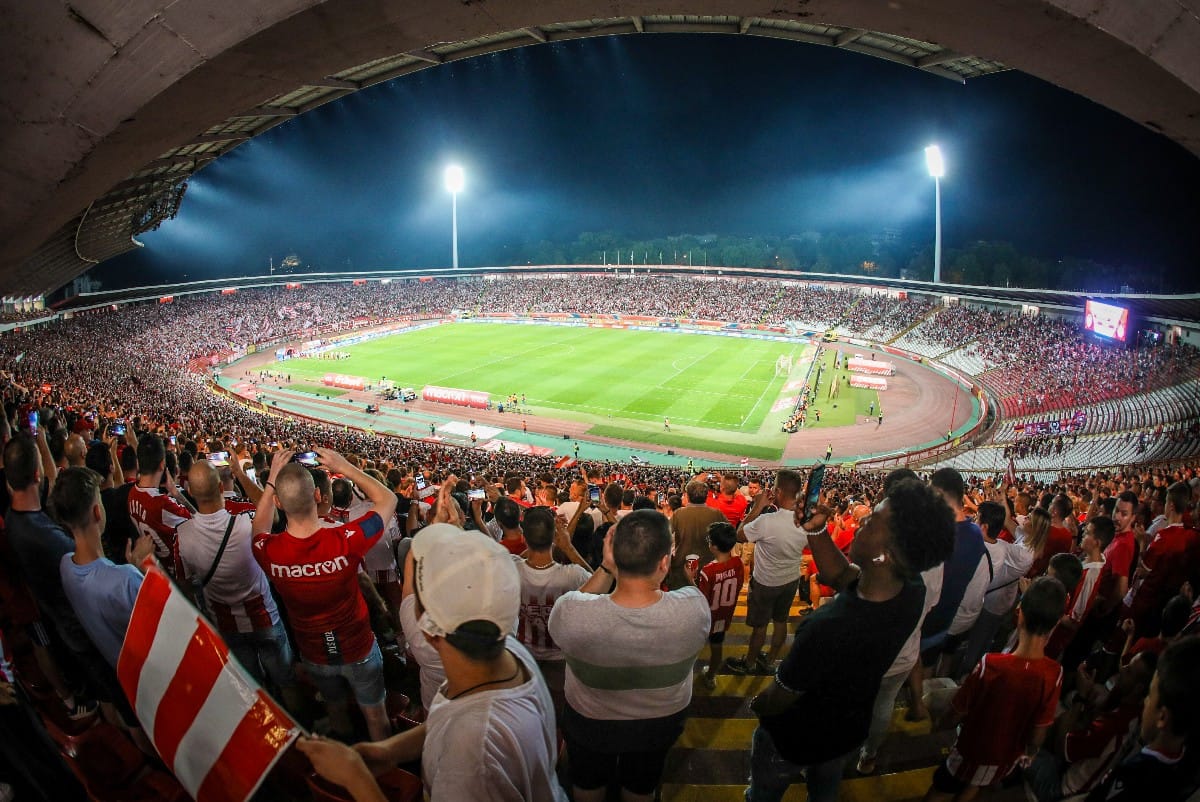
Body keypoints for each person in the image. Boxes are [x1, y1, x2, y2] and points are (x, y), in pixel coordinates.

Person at [299, 523, 568, 802]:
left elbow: (464, 731)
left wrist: (355, 778)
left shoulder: (470, 761)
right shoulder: (507, 648)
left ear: (427, 630)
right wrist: (390, 751)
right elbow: (449, 716)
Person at [746, 478, 955, 802]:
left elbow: (777, 698)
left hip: (793, 740)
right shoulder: (912, 591)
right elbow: (842, 575)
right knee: (825, 789)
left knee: (763, 794)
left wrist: (755, 705)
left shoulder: (827, 628)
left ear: (885, 556)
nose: (863, 519)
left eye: (872, 521)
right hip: (846, 732)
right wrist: (816, 529)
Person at [548, 510, 710, 802]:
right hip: (660, 725)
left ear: (612, 555)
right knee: (640, 786)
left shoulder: (571, 614)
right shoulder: (694, 609)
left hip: (590, 723)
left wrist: (606, 567)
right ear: (664, 562)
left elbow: (575, 603)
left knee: (588, 783)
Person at [251, 448, 396, 741]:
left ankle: (343, 751)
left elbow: (259, 527)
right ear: (318, 496)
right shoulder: (346, 540)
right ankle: (383, 765)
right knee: (376, 718)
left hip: (314, 653)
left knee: (335, 710)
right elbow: (388, 499)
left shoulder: (268, 551)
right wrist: (345, 467)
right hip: (358, 648)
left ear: (278, 502)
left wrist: (272, 480)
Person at [924, 577, 1067, 802]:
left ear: (1019, 613)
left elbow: (957, 711)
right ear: (1056, 623)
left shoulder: (991, 665)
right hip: (1006, 759)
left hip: (970, 751)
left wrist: (939, 725)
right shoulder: (1054, 674)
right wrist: (1029, 753)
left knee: (941, 789)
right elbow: (1039, 731)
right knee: (975, 784)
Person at [175, 460, 301, 709]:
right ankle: (300, 725)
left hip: (225, 624)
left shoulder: (182, 535)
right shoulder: (247, 522)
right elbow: (274, 514)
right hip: (264, 617)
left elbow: (186, 587)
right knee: (286, 681)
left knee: (251, 689)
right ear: (222, 488)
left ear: (190, 492)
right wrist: (240, 474)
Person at [1023, 651, 1156, 802]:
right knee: (1054, 722)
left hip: (1060, 790)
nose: (1123, 669)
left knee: (1023, 738)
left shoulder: (1114, 726)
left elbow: (1062, 746)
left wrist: (1081, 696)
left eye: (1129, 671)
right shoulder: (1134, 714)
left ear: (1138, 688)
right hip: (1075, 772)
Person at [1083, 637, 1200, 801]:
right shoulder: (1184, 772)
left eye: (1150, 695)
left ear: (1162, 717)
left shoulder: (1134, 777)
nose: (1145, 701)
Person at [727, 469, 813, 675]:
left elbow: (739, 535)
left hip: (765, 583)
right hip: (790, 580)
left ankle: (749, 663)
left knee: (760, 626)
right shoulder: (806, 520)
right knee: (781, 621)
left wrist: (758, 506)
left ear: (778, 492)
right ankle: (771, 659)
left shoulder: (767, 521)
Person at [697, 520, 745, 689]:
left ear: (714, 546)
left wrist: (690, 577)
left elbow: (702, 599)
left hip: (706, 617)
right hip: (724, 615)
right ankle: (711, 676)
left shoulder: (708, 571)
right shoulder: (738, 563)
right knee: (717, 647)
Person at [666, 480, 725, 590]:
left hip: (682, 566)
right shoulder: (716, 514)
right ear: (706, 496)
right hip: (709, 566)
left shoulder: (679, 513)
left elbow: (665, 535)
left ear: (688, 496)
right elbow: (728, 537)